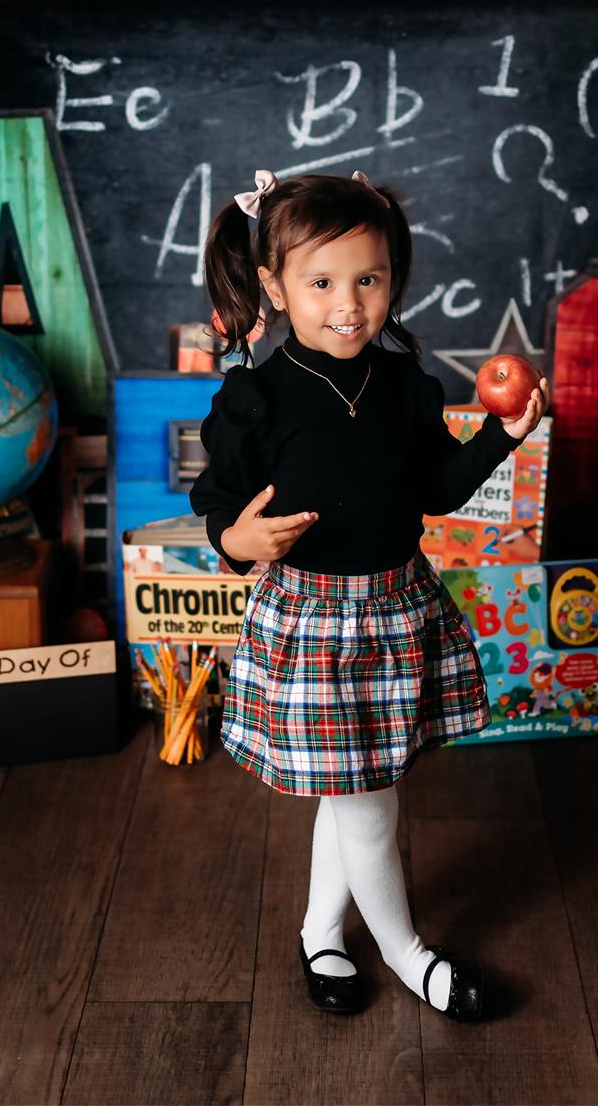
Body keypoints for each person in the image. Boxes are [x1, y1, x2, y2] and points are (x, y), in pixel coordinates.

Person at [189, 168, 549, 1022]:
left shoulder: (403, 385)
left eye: (369, 279)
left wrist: (502, 435)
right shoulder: (257, 397)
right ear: (275, 287)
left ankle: (321, 931)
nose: (348, 303)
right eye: (320, 283)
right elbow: (218, 505)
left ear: (393, 276)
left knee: (352, 785)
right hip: (313, 622)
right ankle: (407, 952)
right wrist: (238, 541)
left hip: (396, 608)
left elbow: (439, 489)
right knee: (369, 803)